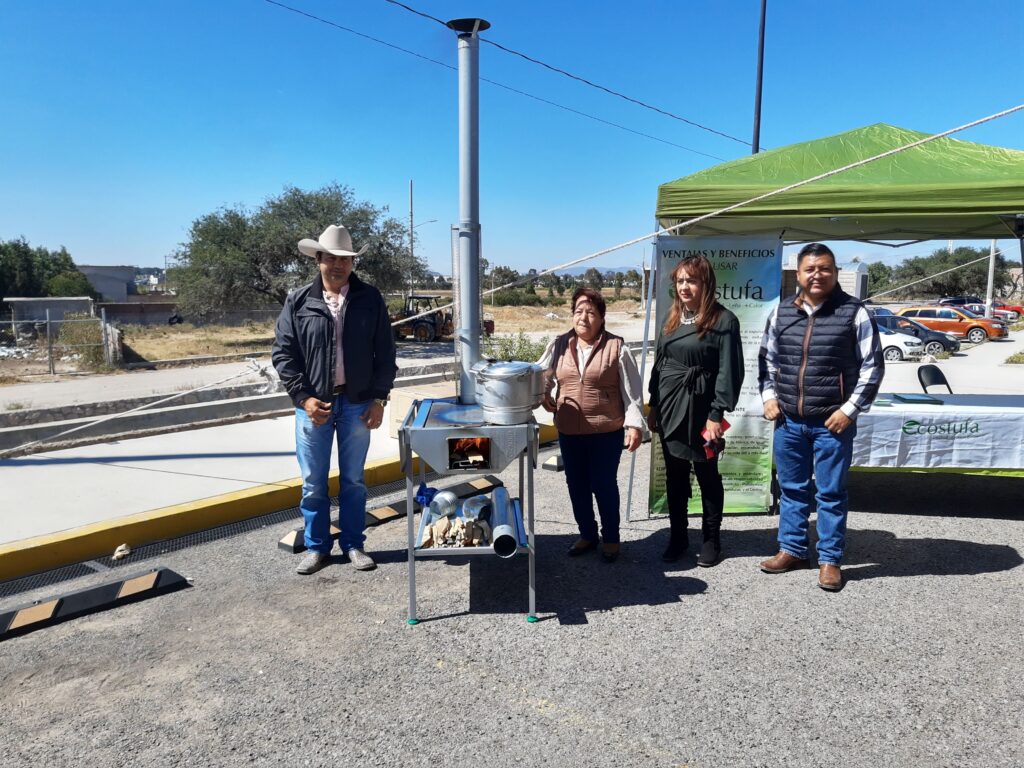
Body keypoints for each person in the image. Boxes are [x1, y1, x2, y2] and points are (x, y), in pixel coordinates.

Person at [757, 242, 883, 591]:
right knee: (791, 489)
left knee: (830, 493)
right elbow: (767, 360)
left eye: (824, 268)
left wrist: (849, 410)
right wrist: (769, 397)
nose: (817, 274)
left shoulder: (854, 313)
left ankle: (829, 560)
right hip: (789, 422)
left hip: (832, 423)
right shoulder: (781, 313)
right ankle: (793, 549)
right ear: (798, 274)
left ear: (835, 272)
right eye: (810, 269)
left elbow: (872, 368)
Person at [272, 224, 397, 575]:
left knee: (354, 479)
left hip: (357, 404)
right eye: (331, 258)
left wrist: (379, 399)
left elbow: (385, 353)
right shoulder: (298, 301)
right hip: (314, 407)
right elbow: (283, 354)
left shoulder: (370, 299)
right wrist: (303, 398)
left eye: (346, 259)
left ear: (353, 262)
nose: (338, 265)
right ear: (318, 259)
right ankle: (317, 547)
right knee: (313, 481)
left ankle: (354, 544)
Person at [647, 255, 744, 567]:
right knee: (675, 477)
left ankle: (711, 540)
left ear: (706, 283)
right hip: (670, 407)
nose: (685, 286)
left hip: (703, 413)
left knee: (707, 475)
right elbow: (660, 364)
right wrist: (653, 404)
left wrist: (717, 414)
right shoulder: (671, 319)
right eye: (680, 281)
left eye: (692, 280)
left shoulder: (723, 320)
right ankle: (678, 537)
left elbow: (731, 371)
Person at [538, 287, 646, 563]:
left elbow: (631, 392)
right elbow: (543, 374)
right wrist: (543, 395)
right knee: (576, 484)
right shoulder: (559, 344)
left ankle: (611, 538)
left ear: (601, 318)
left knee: (604, 484)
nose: (583, 317)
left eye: (590, 312)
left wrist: (634, 426)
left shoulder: (617, 347)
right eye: (578, 311)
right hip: (569, 431)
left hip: (606, 432)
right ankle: (587, 533)